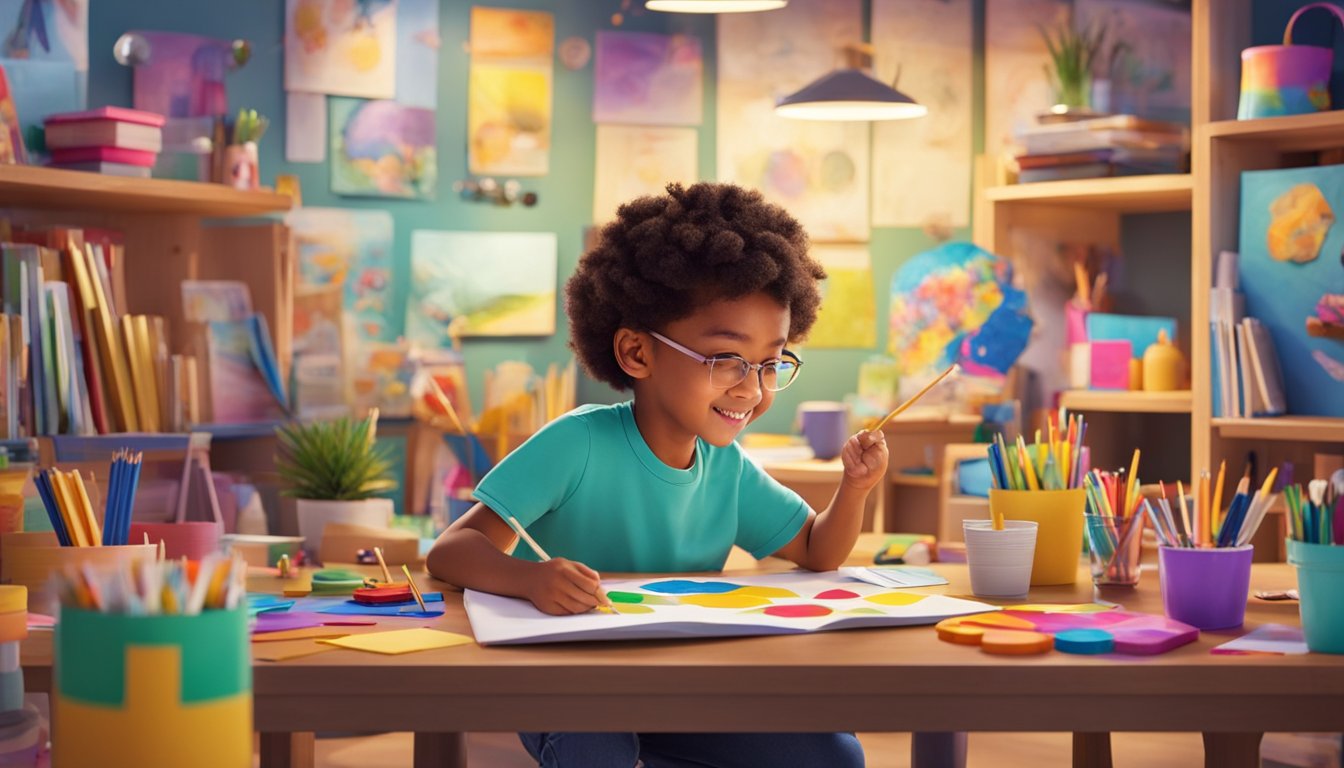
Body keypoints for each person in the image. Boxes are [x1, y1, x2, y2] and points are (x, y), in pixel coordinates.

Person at [427, 181, 885, 768]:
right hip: (574, 688)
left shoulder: (728, 467)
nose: (752, 387)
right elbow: (452, 550)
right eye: (726, 359)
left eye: (771, 363)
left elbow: (820, 551)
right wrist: (531, 579)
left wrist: (856, 488)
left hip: (681, 684)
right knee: (596, 750)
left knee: (832, 755)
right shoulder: (577, 442)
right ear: (638, 353)